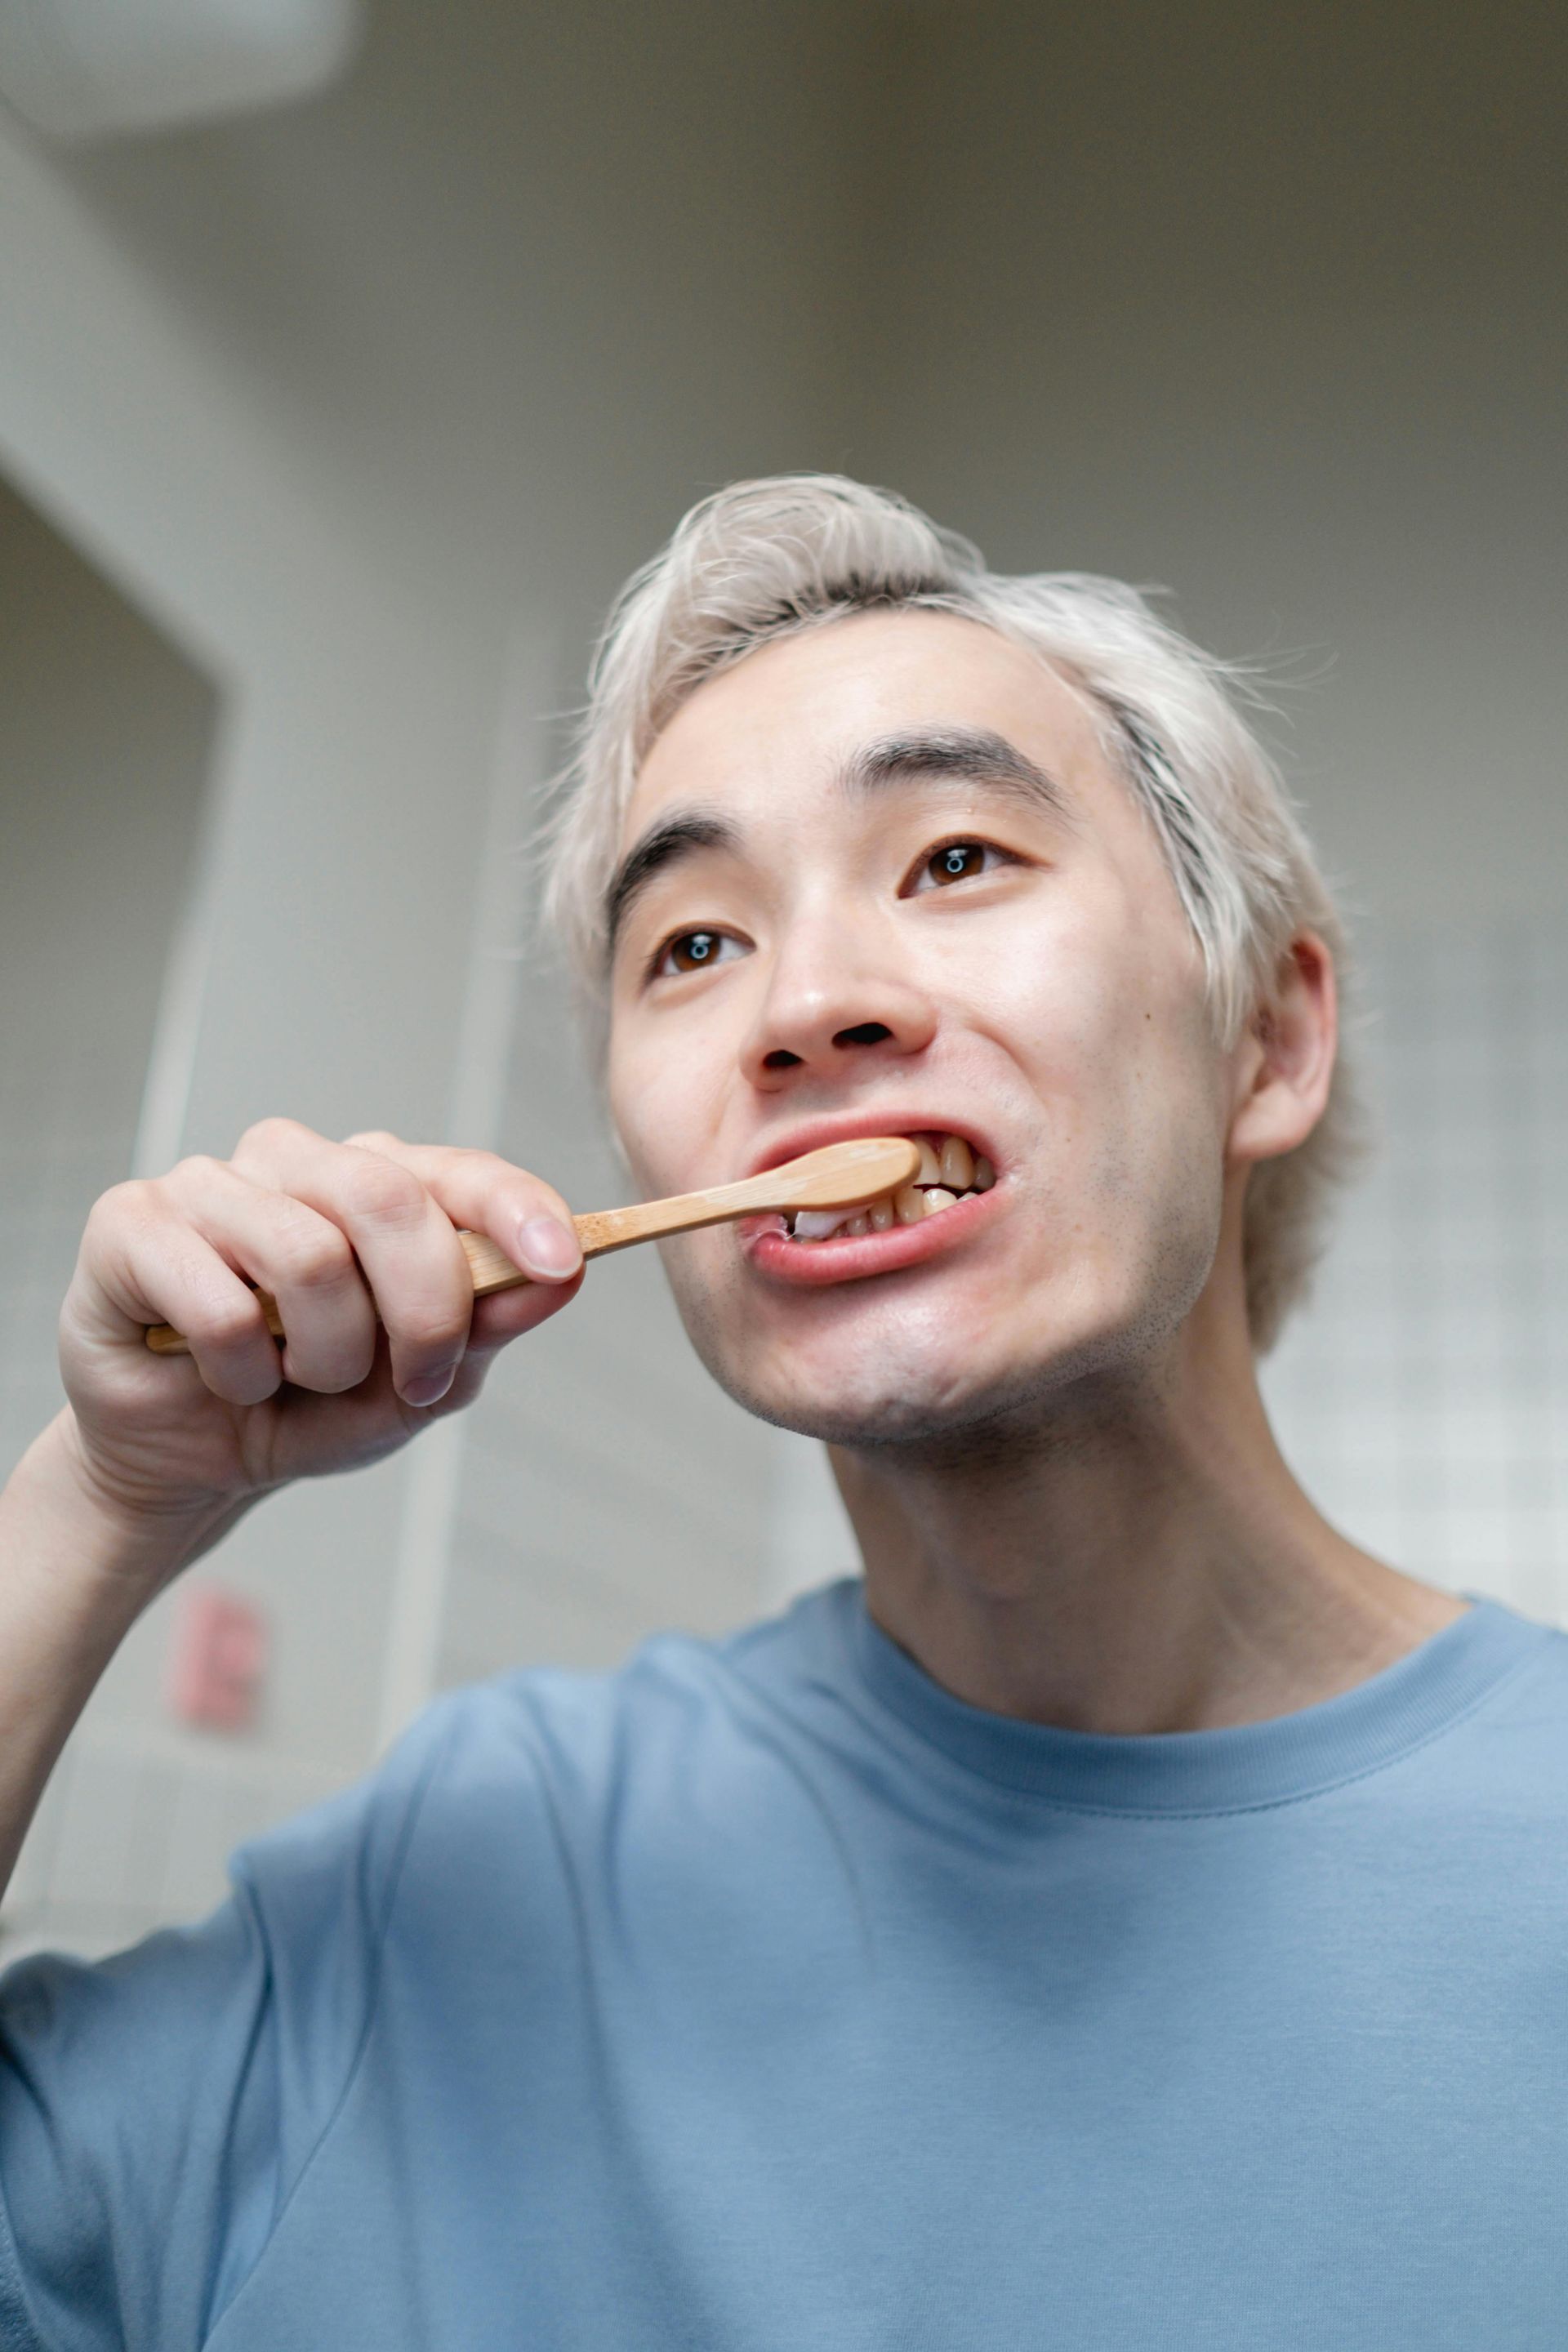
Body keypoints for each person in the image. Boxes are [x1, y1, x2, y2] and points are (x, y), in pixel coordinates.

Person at [0, 475, 1560, 2352]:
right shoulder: (487, 1862)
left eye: (959, 858)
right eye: (696, 946)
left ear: (1270, 1037)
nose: (804, 1007)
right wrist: (97, 1501)